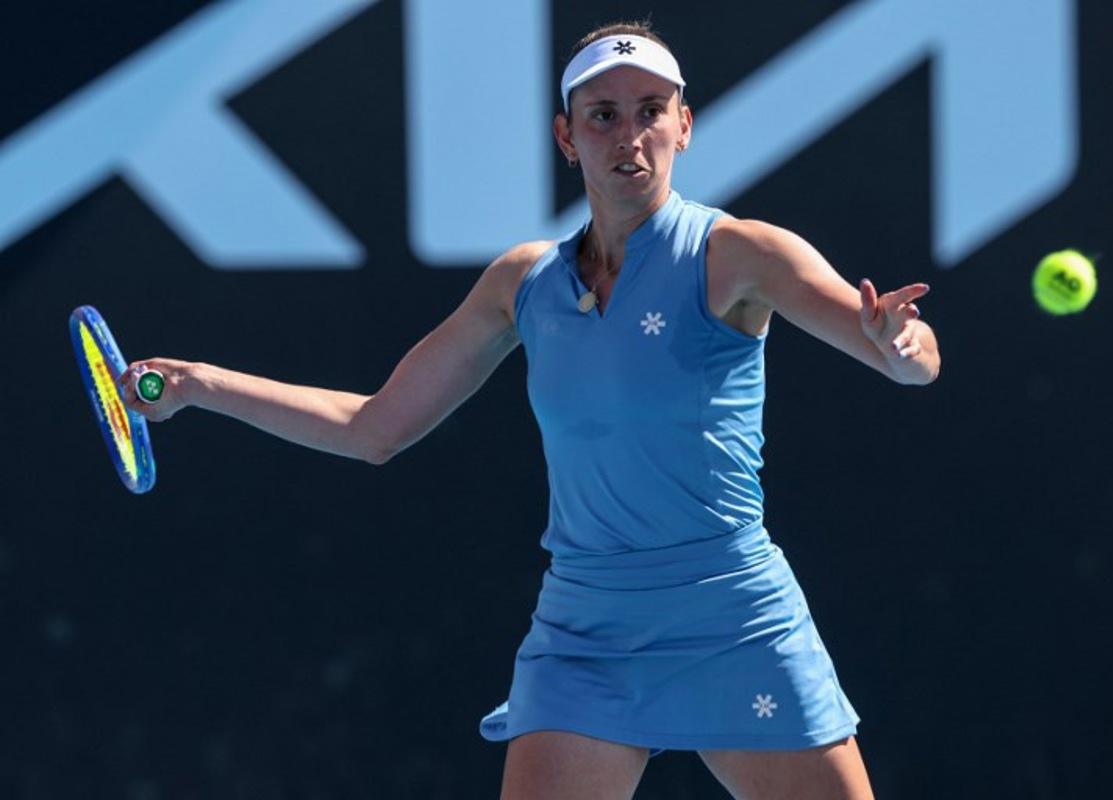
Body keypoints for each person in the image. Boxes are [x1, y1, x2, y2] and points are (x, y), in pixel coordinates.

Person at [120, 20, 939, 800]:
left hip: (732, 615)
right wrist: (199, 383)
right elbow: (373, 429)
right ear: (566, 136)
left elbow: (908, 360)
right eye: (603, 115)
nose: (630, 136)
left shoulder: (741, 254)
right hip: (585, 631)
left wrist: (899, 345)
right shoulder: (522, 285)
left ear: (684, 126)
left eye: (652, 113)